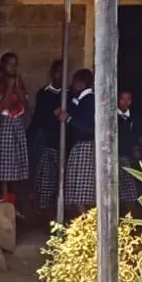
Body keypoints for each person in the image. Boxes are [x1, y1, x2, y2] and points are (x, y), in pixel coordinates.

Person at [0, 51, 30, 208]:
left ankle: (14, 201)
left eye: (15, 65)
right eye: (10, 64)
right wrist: (9, 89)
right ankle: (4, 196)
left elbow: (26, 106)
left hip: (18, 124)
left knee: (17, 163)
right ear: (3, 66)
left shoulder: (19, 82)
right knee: (5, 164)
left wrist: (18, 89)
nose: (13, 68)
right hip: (5, 124)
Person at [30, 60, 64, 212]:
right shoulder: (44, 94)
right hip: (46, 143)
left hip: (63, 145)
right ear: (51, 74)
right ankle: (46, 219)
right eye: (57, 72)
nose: (60, 76)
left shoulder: (68, 94)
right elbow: (39, 117)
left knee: (61, 185)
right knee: (45, 182)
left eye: (63, 73)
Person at [62, 68, 97, 213]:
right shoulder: (81, 100)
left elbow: (89, 125)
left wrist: (69, 119)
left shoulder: (89, 101)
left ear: (80, 84)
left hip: (86, 147)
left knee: (83, 188)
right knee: (80, 187)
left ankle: (85, 220)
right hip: (81, 146)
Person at [117, 89, 140, 211]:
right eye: (122, 99)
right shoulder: (111, 117)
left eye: (128, 99)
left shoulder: (134, 118)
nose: (125, 102)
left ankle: (130, 222)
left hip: (128, 157)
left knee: (130, 191)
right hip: (114, 157)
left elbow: (136, 137)